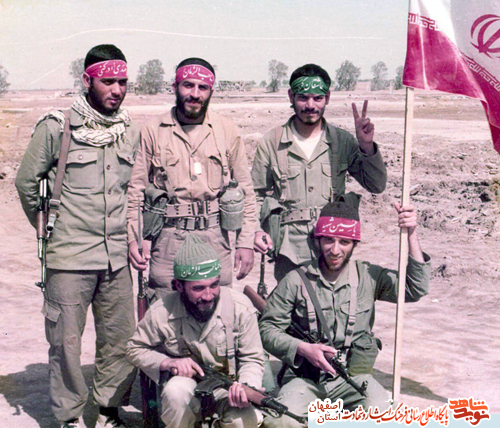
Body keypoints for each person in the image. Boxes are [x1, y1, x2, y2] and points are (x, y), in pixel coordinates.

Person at [15, 44, 138, 428]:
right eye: (108, 81)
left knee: (120, 339)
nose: (116, 90)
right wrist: (50, 228)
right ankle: (68, 417)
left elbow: (130, 190)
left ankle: (108, 411)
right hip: (69, 257)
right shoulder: (58, 127)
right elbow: (26, 183)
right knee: (65, 344)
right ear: (87, 80)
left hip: (116, 257)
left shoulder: (128, 130)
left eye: (122, 82)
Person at [258, 193, 431, 427]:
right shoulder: (295, 280)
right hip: (306, 380)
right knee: (280, 422)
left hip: (354, 380)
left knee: (385, 418)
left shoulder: (368, 276)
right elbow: (267, 329)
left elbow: (415, 288)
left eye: (344, 242)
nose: (335, 250)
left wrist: (411, 233)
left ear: (354, 244)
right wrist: (302, 348)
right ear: (317, 240)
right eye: (328, 240)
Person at [127, 58, 257, 300]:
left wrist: (245, 242)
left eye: (202, 87)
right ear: (175, 87)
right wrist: (136, 238)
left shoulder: (226, 130)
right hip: (168, 240)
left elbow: (246, 190)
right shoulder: (153, 130)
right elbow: (136, 190)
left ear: (211, 91)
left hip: (214, 237)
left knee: (215, 308)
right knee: (164, 310)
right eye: (188, 85)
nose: (195, 94)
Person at [252, 64, 387, 282]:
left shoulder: (342, 141)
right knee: (291, 301)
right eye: (303, 98)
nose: (310, 105)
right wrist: (256, 230)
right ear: (291, 96)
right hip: (289, 251)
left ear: (328, 98)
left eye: (317, 98)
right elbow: (255, 195)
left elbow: (376, 185)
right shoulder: (271, 143)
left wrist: (366, 146)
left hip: (333, 247)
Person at [126, 235, 265, 428]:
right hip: (188, 389)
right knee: (175, 393)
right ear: (179, 286)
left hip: (228, 389)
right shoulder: (162, 311)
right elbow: (134, 348)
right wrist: (168, 362)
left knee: (246, 420)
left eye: (214, 285)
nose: (208, 296)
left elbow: (253, 358)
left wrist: (246, 387)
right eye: (198, 288)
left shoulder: (240, 308)